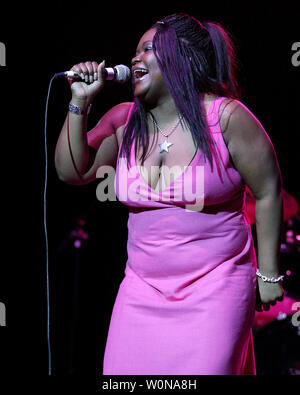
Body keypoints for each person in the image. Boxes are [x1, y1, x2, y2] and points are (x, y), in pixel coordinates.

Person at [55, 13, 284, 375]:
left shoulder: (225, 117)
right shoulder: (123, 119)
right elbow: (73, 171)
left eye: (148, 49)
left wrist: (268, 274)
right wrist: (79, 103)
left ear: (184, 58)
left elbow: (269, 190)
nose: (134, 59)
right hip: (141, 292)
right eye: (135, 51)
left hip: (216, 288)